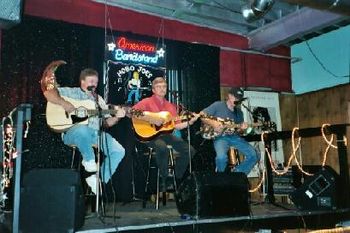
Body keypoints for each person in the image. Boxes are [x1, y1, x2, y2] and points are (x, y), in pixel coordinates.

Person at [41, 67, 126, 194]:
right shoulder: (70, 92)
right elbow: (48, 93)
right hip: (72, 133)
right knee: (82, 129)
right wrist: (64, 103)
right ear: (82, 81)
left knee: (119, 150)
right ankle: (90, 162)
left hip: (95, 133)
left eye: (96, 82)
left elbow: (105, 124)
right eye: (91, 81)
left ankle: (98, 180)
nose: (94, 85)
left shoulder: (99, 100)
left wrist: (117, 117)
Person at [132, 77, 198, 190]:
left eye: (164, 87)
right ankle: (164, 178)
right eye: (159, 87)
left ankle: (176, 178)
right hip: (149, 136)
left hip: (166, 135)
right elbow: (132, 112)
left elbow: (176, 125)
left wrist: (190, 122)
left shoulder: (170, 106)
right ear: (153, 90)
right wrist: (151, 119)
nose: (162, 89)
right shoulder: (147, 102)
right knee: (162, 147)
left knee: (190, 150)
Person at [200, 87, 260, 174]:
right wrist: (213, 124)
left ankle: (237, 174)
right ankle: (221, 177)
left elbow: (239, 131)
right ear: (229, 96)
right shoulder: (218, 105)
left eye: (239, 99)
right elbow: (202, 115)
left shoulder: (239, 112)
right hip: (220, 137)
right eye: (235, 98)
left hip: (234, 137)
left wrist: (243, 129)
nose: (237, 100)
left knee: (254, 155)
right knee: (221, 158)